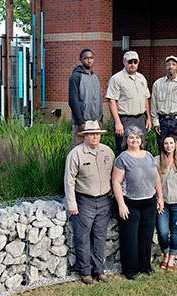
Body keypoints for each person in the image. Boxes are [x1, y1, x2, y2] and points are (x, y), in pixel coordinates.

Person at [64, 120, 114, 284]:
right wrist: (72, 203)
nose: (95, 137)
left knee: (100, 237)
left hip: (104, 200)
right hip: (84, 200)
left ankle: (98, 269)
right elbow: (69, 180)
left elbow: (114, 175)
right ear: (85, 136)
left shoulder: (107, 151)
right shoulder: (76, 154)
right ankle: (85, 271)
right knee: (83, 237)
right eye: (91, 134)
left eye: (98, 134)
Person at [111, 126, 164, 280]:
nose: (134, 140)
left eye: (137, 137)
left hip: (149, 202)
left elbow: (157, 178)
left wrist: (160, 198)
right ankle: (130, 269)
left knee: (146, 237)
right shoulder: (122, 158)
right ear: (126, 140)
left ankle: (145, 266)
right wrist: (121, 204)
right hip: (130, 203)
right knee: (130, 238)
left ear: (141, 140)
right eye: (131, 137)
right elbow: (116, 182)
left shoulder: (148, 156)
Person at [155, 135, 177, 271]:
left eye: (171, 143)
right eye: (166, 143)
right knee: (163, 232)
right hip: (162, 203)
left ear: (175, 145)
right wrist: (158, 199)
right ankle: (165, 254)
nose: (168, 146)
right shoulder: (156, 161)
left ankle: (171, 258)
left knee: (175, 231)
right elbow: (154, 182)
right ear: (163, 145)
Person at [106, 51, 152, 155]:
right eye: (130, 62)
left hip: (140, 119)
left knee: (141, 148)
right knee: (124, 149)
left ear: (138, 62)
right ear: (124, 62)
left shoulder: (142, 78)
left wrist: (148, 117)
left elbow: (146, 98)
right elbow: (111, 100)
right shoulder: (117, 78)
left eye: (135, 62)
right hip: (124, 119)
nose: (132, 64)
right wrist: (118, 122)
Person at [151, 55, 177, 155]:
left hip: (176, 121)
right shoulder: (158, 83)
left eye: (173, 64)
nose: (171, 67)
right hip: (162, 121)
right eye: (168, 64)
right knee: (162, 148)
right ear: (165, 67)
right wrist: (155, 122)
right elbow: (154, 105)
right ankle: (163, 169)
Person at [68, 49, 103, 146]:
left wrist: (101, 119)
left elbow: (99, 100)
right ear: (81, 60)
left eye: (91, 58)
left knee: (93, 150)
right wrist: (80, 122)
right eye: (86, 58)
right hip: (82, 123)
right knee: (79, 150)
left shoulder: (96, 78)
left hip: (95, 122)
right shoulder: (75, 77)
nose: (89, 60)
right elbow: (72, 101)